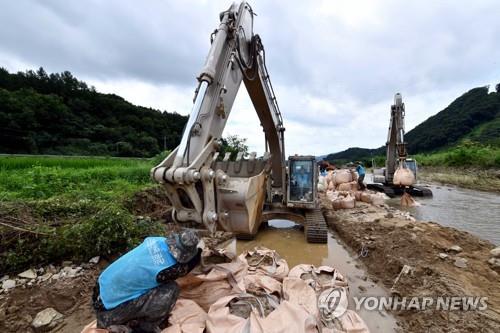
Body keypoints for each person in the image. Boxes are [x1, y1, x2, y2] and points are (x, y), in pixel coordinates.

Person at [92, 230, 201, 333]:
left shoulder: (155, 240)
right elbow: (186, 268)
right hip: (109, 314)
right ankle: (144, 328)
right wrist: (198, 256)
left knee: (146, 282)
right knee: (171, 289)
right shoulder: (169, 270)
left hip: (101, 291)